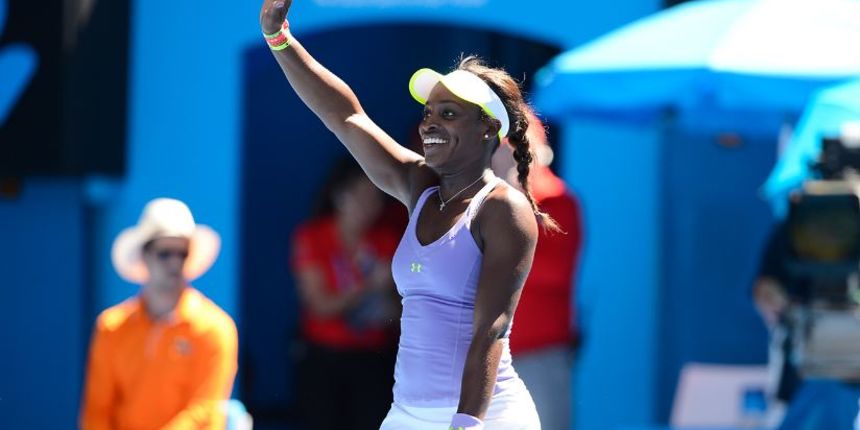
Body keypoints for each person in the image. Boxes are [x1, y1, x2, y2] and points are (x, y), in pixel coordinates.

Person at [259, 2, 558, 428]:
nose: (428, 125)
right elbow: (345, 117)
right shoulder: (418, 184)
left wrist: (466, 423)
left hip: (485, 416)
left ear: (488, 128)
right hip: (408, 415)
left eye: (448, 114)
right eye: (428, 113)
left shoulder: (502, 209)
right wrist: (279, 39)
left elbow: (490, 329)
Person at [80, 198, 238, 430]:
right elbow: (97, 412)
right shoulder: (111, 327)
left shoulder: (216, 329)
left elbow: (204, 411)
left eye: (182, 254)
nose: (175, 263)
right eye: (165, 253)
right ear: (144, 255)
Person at [291, 158, 400, 430]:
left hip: (373, 361)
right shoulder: (312, 237)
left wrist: (391, 304)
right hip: (322, 360)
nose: (369, 205)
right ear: (340, 195)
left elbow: (403, 312)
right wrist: (369, 286)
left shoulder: (386, 241)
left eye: (375, 197)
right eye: (361, 195)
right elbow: (319, 305)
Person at [491, 110, 583, 430]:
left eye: (508, 149)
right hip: (488, 352)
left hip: (538, 352)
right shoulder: (485, 201)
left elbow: (552, 272)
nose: (500, 159)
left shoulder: (558, 200)